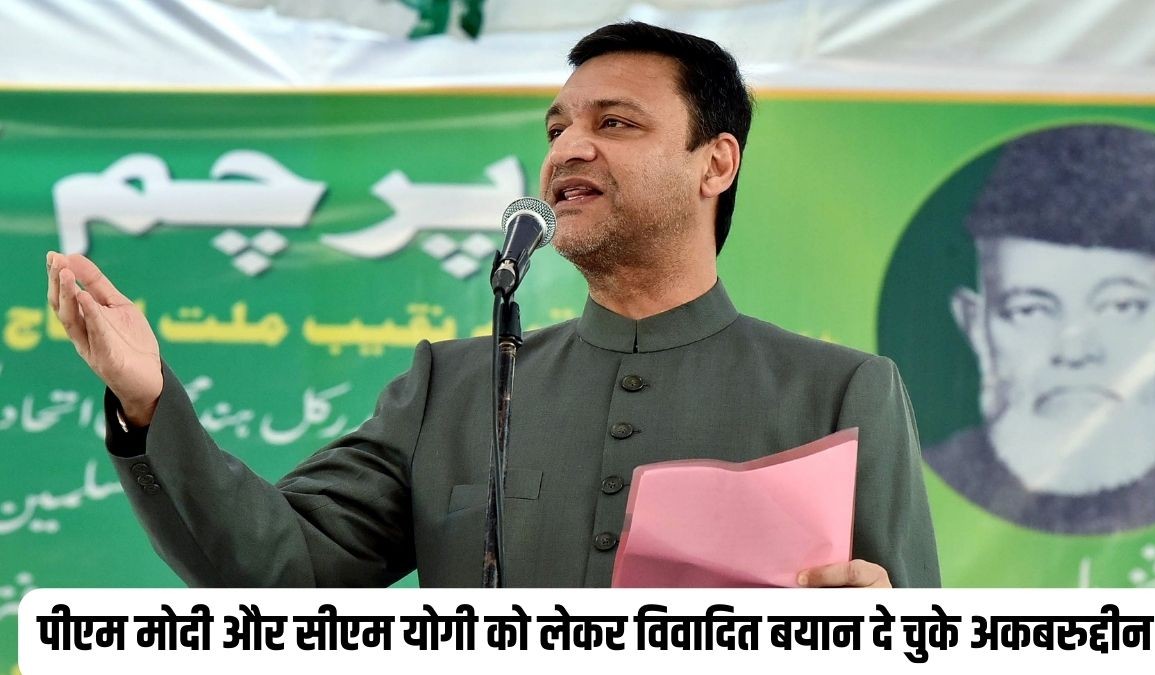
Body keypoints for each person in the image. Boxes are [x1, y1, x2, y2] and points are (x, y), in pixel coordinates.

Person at [46, 21, 939, 588]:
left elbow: (914, 636)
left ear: (716, 163)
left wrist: (874, 633)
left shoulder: (838, 392)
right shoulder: (453, 387)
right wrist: (146, 400)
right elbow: (280, 567)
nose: (568, 148)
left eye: (615, 123)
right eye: (558, 127)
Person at [926, 124, 1155, 535]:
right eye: (1030, 310)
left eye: (1120, 306)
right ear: (975, 324)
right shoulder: (916, 487)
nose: (1075, 352)